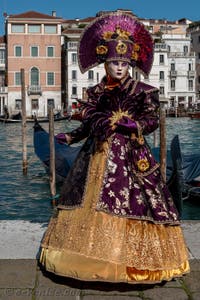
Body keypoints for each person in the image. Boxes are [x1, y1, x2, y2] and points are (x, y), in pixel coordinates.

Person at [40, 12, 190, 284]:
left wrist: (135, 125)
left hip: (133, 156)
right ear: (104, 63)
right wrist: (71, 137)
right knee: (89, 200)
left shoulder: (142, 90)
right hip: (96, 155)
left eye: (123, 62)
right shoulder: (97, 92)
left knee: (136, 202)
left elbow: (151, 119)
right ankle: (92, 256)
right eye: (113, 62)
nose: (119, 67)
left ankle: (133, 260)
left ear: (130, 62)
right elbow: (89, 125)